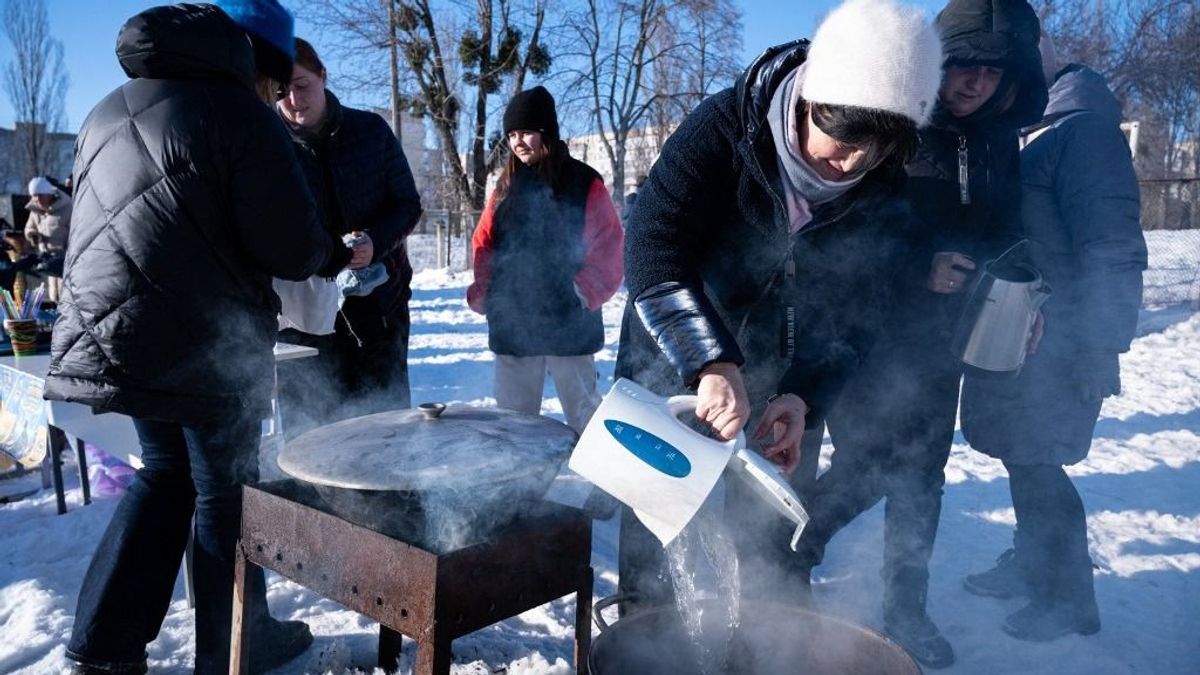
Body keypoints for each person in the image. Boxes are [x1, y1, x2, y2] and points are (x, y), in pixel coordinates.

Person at [43, 3, 349, 674]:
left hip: (117, 331)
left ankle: (102, 646)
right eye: (279, 79)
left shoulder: (107, 107)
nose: (278, 93)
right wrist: (333, 251)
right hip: (204, 342)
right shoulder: (239, 112)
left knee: (165, 478)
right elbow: (292, 247)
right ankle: (231, 648)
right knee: (224, 493)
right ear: (261, 66)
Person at [614, 0, 943, 615]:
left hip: (779, 352)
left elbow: (858, 308)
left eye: (870, 150)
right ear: (811, 101)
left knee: (770, 512)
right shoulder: (726, 126)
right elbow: (653, 246)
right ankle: (642, 622)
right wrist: (710, 362)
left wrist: (804, 395)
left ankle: (769, 625)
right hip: (674, 337)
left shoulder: (882, 181)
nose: (848, 163)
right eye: (841, 138)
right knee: (657, 496)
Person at [788, 0, 1049, 667]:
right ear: (942, 59)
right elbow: (843, 225)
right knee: (870, 464)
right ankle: (786, 554)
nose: (977, 84)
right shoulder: (898, 123)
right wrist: (917, 264)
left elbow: (1009, 228)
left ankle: (906, 608)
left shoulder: (994, 140)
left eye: (993, 73)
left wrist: (1029, 291)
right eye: (966, 66)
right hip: (866, 334)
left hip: (945, 342)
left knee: (924, 477)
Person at [959, 36, 1147, 641]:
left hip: (1064, 338)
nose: (988, 86)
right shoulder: (1036, 132)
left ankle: (1069, 597)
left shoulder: (1084, 133)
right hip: (1022, 332)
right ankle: (1030, 560)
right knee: (1023, 457)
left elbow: (1113, 248)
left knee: (1039, 465)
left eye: (1002, 73)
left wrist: (1100, 344)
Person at [274, 37, 423, 434]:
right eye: (279, 90)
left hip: (378, 308)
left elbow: (408, 204)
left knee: (384, 427)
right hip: (301, 319)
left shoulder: (370, 130)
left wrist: (376, 242)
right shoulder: (265, 145)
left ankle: (389, 497)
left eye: (301, 85)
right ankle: (309, 499)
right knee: (311, 433)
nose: (292, 99)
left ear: (323, 76)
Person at [467, 86, 624, 434]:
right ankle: (517, 484)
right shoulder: (504, 186)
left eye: (525, 131)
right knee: (513, 419)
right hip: (513, 317)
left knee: (584, 413)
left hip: (566, 316)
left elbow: (610, 245)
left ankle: (599, 482)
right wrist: (487, 291)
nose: (518, 141)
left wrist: (579, 292)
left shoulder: (584, 182)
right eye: (511, 134)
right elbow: (484, 241)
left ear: (546, 131)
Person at [24, 175, 71, 302]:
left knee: (65, 295)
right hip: (47, 260)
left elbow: (75, 232)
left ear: (49, 194)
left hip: (64, 259)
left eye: (40, 195)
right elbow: (29, 227)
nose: (37, 199)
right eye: (34, 195)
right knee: (53, 295)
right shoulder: (35, 210)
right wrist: (32, 235)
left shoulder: (67, 208)